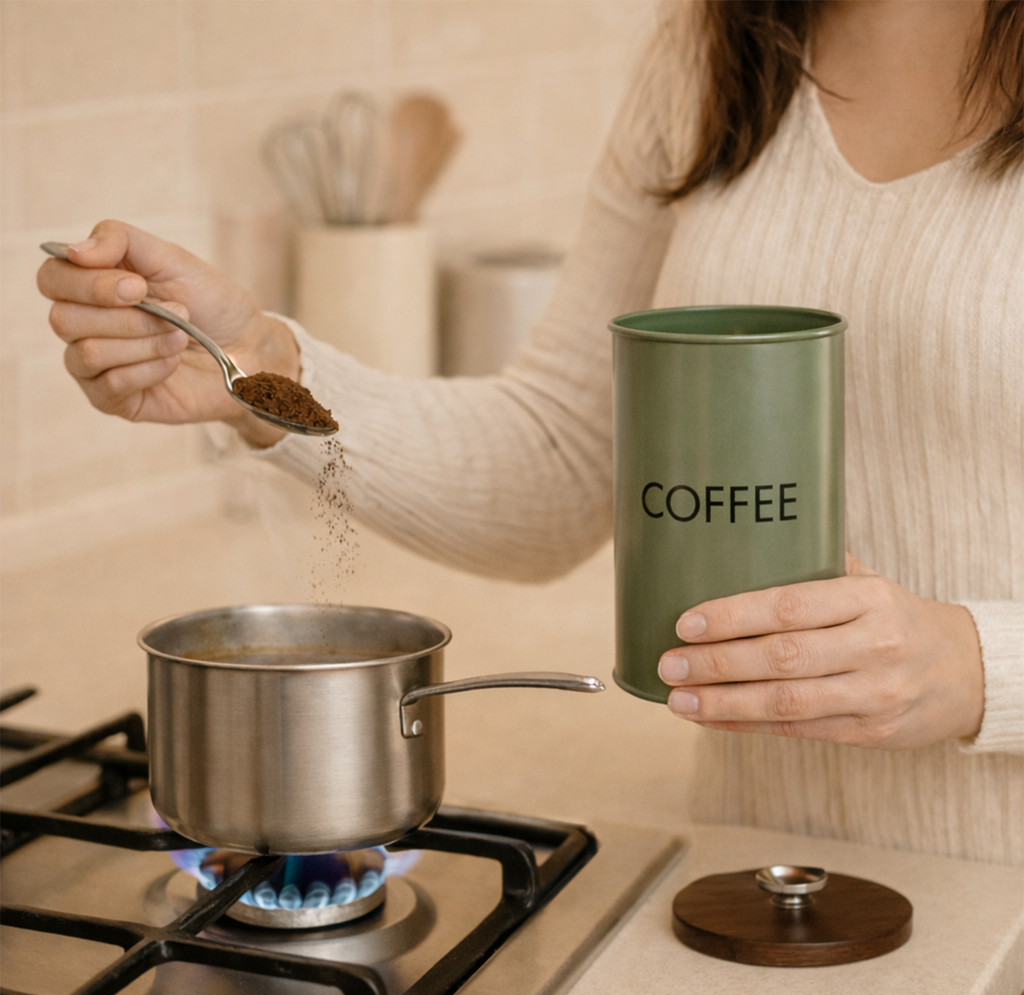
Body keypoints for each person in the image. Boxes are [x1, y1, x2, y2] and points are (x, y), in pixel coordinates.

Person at [37, 0, 1022, 864]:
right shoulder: (715, 45)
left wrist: (975, 665)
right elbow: (560, 457)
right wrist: (257, 366)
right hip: (760, 876)